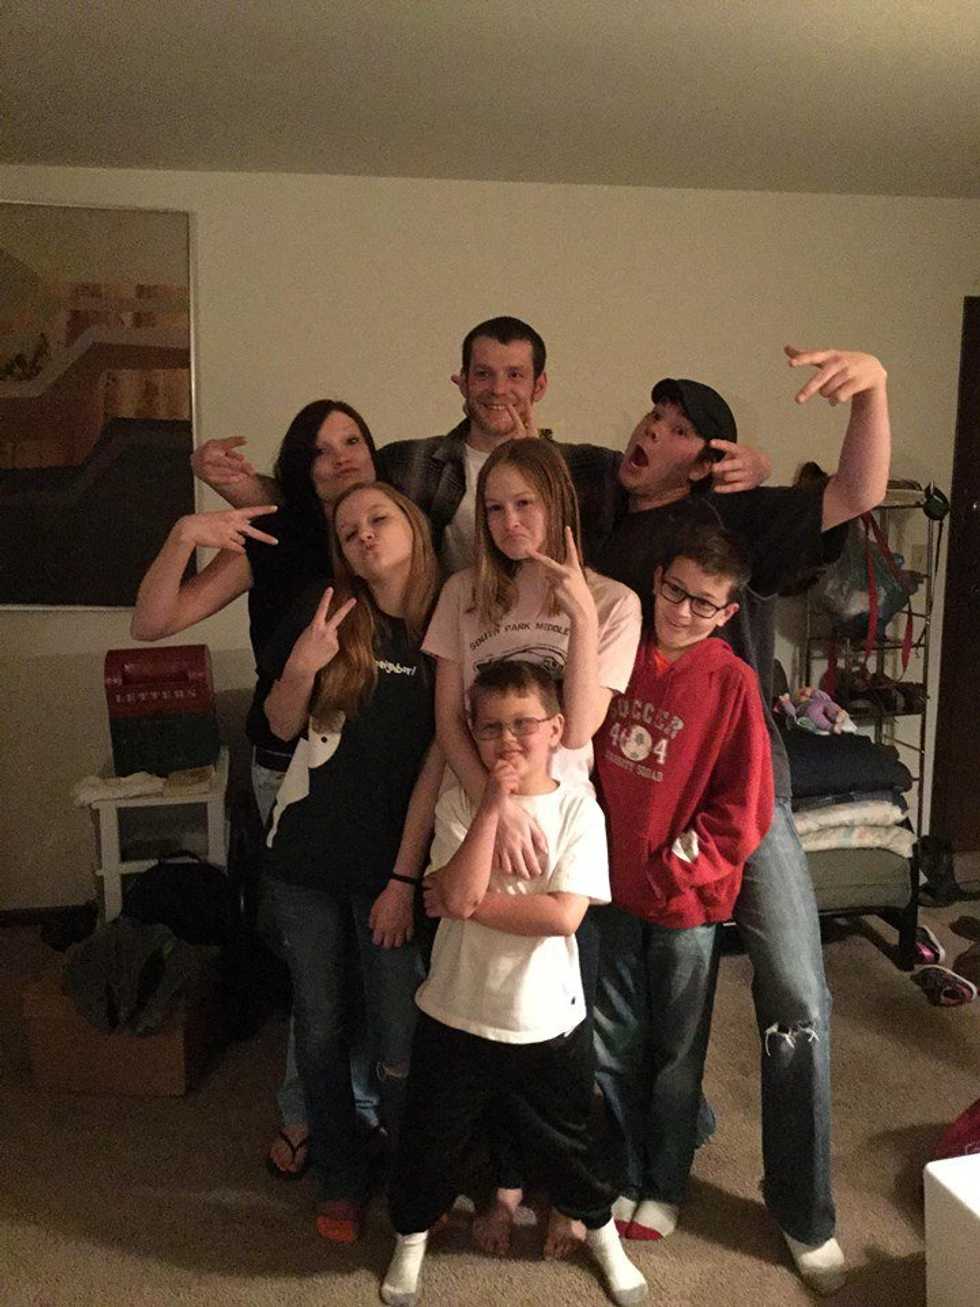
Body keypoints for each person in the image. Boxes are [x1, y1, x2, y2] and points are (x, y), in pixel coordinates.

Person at [593, 346, 891, 1294]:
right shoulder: (600, 519)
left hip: (743, 798)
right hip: (636, 801)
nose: (654, 431)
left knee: (797, 993)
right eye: (653, 417)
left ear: (711, 458)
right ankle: (661, 1158)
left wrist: (872, 390)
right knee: (638, 1016)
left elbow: (856, 491)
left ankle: (802, 1209)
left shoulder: (731, 517)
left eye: (680, 427)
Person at [133, 398, 379, 1180]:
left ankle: (362, 1106)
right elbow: (154, 622)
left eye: (353, 440)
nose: (341, 456)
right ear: (301, 469)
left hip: (379, 766)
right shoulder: (272, 541)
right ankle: (304, 1108)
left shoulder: (395, 538)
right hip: (288, 760)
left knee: (379, 950)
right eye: (321, 449)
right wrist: (184, 533)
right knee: (313, 953)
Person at [421, 436, 641, 1255]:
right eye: (494, 507)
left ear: (558, 504)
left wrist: (578, 613)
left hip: (562, 827)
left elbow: (579, 727)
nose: (510, 522)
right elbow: (449, 723)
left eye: (526, 504)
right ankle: (496, 1186)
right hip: (478, 815)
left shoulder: (614, 600)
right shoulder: (463, 592)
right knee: (474, 1019)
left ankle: (568, 1199)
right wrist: (496, 804)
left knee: (557, 1035)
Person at [382, 660, 648, 1307]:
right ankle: (410, 1239)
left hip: (547, 1019)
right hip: (455, 1009)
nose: (507, 739)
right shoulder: (458, 802)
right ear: (471, 734)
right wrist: (493, 805)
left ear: (556, 728)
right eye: (491, 727)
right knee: (429, 1138)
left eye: (523, 724)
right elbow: (459, 890)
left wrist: (467, 904)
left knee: (571, 1141)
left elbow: (561, 915)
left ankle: (602, 1235)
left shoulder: (579, 809)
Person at [262, 481, 444, 1245]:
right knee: (320, 1026)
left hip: (389, 872)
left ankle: (408, 1174)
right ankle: (339, 1175)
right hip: (303, 860)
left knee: (399, 1036)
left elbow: (442, 758)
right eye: (348, 529)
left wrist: (403, 877)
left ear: (414, 525)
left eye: (378, 518)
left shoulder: (449, 619)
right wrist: (302, 666)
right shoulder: (332, 611)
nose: (363, 533)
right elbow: (281, 725)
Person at [592, 524, 774, 1247]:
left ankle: (665, 1184)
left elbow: (745, 807)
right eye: (675, 590)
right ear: (657, 579)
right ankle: (625, 1171)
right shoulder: (619, 653)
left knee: (675, 1055)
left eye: (704, 603)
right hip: (607, 894)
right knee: (612, 1043)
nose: (683, 610)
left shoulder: (732, 683)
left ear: (727, 612)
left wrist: (674, 867)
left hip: (686, 907)